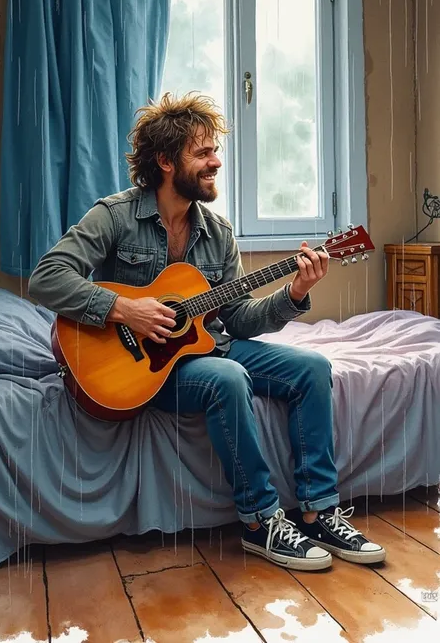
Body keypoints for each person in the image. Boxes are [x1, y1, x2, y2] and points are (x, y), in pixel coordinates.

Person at [29, 92, 386, 571]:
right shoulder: (113, 216)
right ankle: (260, 521)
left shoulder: (218, 232)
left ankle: (320, 509)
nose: (216, 161)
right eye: (203, 153)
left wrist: (295, 294)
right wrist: (123, 309)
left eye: (215, 150)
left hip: (208, 348)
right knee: (226, 378)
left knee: (312, 367)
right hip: (143, 371)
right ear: (165, 161)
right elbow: (47, 276)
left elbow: (238, 319)